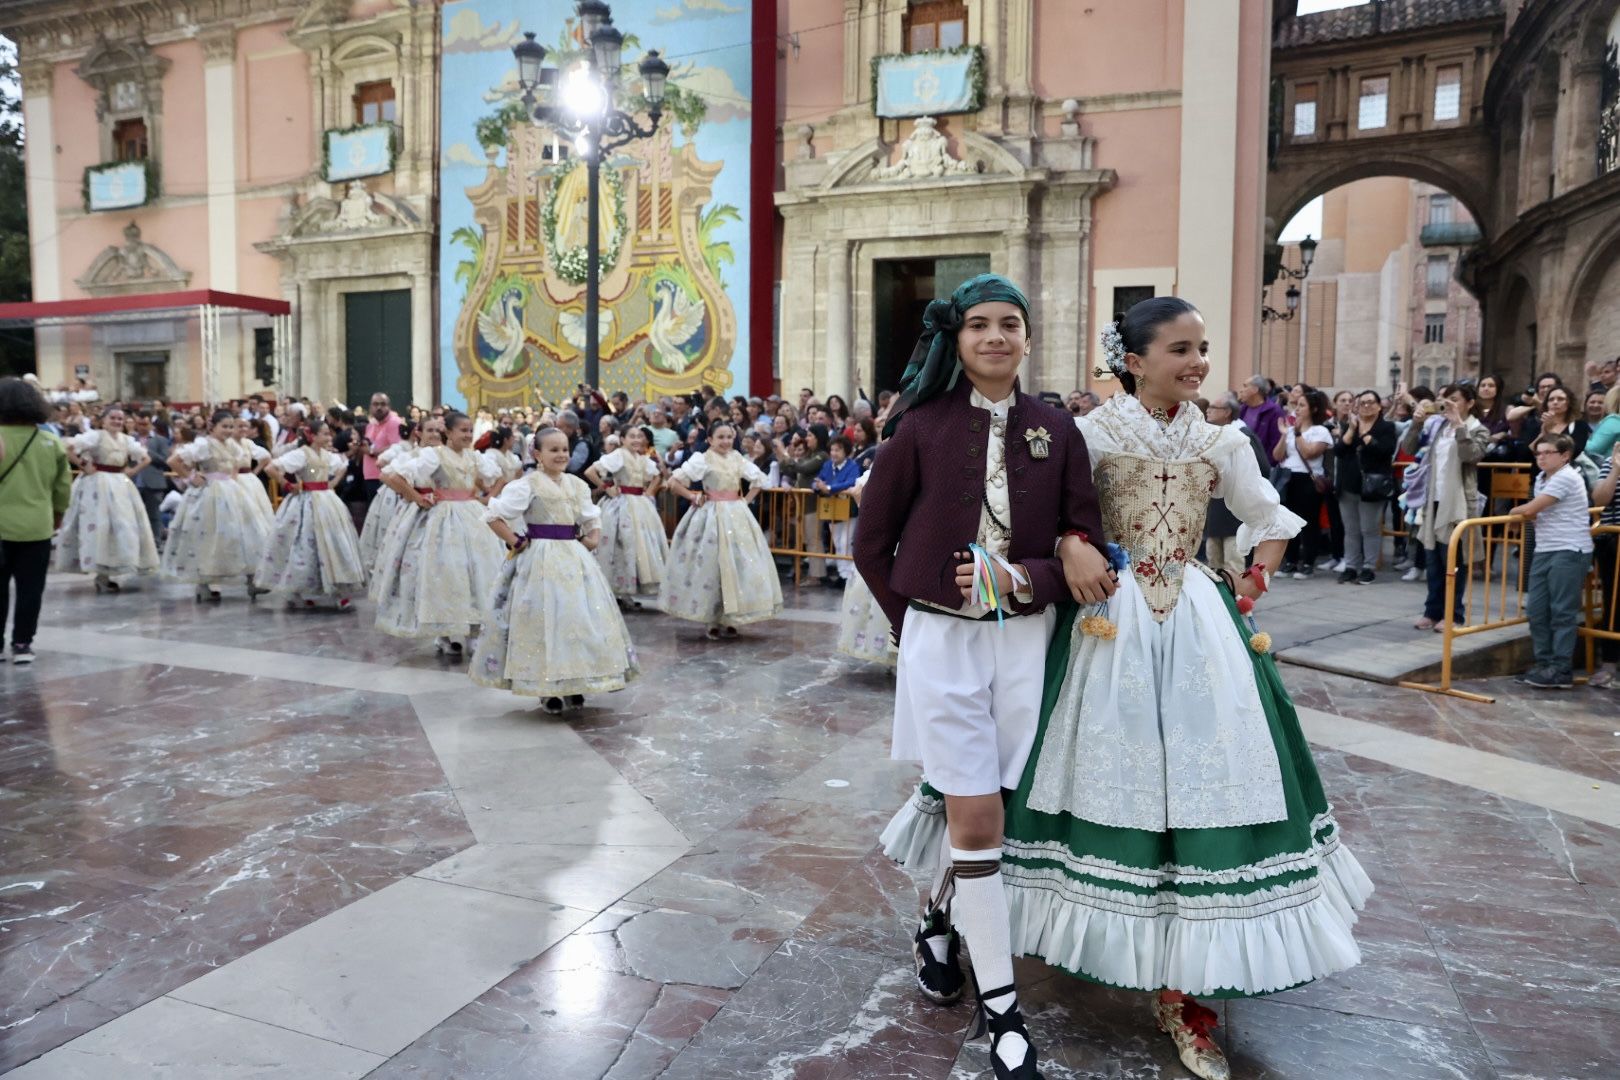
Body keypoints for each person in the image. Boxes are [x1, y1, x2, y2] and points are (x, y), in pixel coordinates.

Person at [883, 297, 1369, 1080]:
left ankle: (1186, 987)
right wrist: (1075, 544)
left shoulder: (1222, 438)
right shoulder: (1090, 430)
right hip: (1102, 619)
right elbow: (1058, 514)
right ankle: (946, 911)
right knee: (1006, 779)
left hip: (1195, 622)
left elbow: (1266, 515)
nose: (1199, 362)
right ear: (1134, 360)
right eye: (1182, 349)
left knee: (1197, 791)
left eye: (1203, 348)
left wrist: (1254, 577)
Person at [859, 275, 1113, 1080]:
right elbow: (873, 544)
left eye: (1010, 324)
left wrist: (1026, 579)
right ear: (957, 339)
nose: (996, 337)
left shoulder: (1056, 428)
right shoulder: (919, 425)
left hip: (1026, 644)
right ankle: (1002, 1007)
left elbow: (1083, 539)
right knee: (972, 815)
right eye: (979, 325)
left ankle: (937, 915)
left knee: (990, 811)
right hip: (944, 644)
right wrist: (920, 624)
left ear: (1029, 338)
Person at [470, 427, 639, 713]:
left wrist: (593, 537)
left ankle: (577, 680)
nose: (561, 455)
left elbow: (590, 515)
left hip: (574, 558)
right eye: (553, 450)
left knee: (578, 618)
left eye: (564, 449)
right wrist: (514, 540)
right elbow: (494, 515)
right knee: (545, 619)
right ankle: (547, 685)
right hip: (540, 560)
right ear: (537, 454)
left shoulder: (576, 485)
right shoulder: (527, 484)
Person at [373, 411, 504, 654]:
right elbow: (392, 475)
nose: (467, 434)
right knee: (446, 573)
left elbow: (499, 476)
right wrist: (417, 498)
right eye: (462, 430)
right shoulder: (434, 455)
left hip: (472, 518)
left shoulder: (474, 457)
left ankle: (475, 630)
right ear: (449, 432)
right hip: (445, 521)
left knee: (477, 572)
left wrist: (488, 498)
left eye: (469, 430)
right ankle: (444, 633)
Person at [660, 421, 783, 638]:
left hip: (736, 515)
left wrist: (746, 501)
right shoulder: (702, 458)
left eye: (729, 436)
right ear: (709, 440)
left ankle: (731, 616)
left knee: (737, 565)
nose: (726, 441)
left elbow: (759, 480)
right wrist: (692, 496)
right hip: (711, 517)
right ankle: (711, 618)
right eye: (721, 437)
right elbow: (674, 481)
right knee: (711, 566)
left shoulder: (737, 457)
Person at [1509, 433, 1593, 689]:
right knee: (1536, 609)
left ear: (1565, 455)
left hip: (1569, 548)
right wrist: (1523, 513)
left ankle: (1560, 667)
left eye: (1548, 453)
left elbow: (1531, 509)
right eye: (1538, 453)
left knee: (1562, 611)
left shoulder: (1566, 476)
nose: (1541, 457)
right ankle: (1544, 663)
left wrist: (1514, 512)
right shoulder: (1541, 478)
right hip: (1546, 548)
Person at [1402, 383, 1488, 631]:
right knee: (1433, 559)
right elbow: (1408, 449)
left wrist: (1459, 425)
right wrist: (1417, 422)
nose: (1448, 405)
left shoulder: (1477, 429)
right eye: (1444, 400)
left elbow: (1471, 455)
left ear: (1470, 403)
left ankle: (1454, 614)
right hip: (1434, 498)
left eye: (1454, 399)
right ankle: (1432, 611)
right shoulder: (1437, 426)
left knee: (1454, 561)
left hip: (1459, 502)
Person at [255, 419, 367, 610]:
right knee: (304, 544)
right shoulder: (301, 455)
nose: (328, 437)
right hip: (305, 502)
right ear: (312, 436)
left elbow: (342, 466)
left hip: (326, 502)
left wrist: (332, 484)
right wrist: (287, 484)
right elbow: (271, 468)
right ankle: (299, 589)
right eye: (324, 433)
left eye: (328, 433)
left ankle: (338, 589)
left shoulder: (327, 455)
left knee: (333, 544)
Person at [161, 409, 271, 602]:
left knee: (245, 533)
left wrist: (233, 481)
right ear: (213, 426)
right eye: (224, 426)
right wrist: (192, 478)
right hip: (209, 493)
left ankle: (252, 579)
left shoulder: (232, 445)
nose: (228, 431)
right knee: (208, 535)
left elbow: (235, 466)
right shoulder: (204, 445)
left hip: (231, 491)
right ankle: (204, 582)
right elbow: (174, 461)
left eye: (231, 427)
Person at [0, 377, 73, 663]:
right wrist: (57, 515)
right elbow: (62, 487)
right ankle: (22, 644)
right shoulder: (50, 441)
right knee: (31, 589)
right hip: (37, 526)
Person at [55, 407, 160, 592]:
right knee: (101, 527)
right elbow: (68, 448)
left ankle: (113, 568)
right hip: (98, 484)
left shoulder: (127, 440)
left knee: (123, 527)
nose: (117, 421)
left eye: (120, 419)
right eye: (113, 418)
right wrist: (84, 465)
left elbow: (146, 458)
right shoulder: (96, 436)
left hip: (120, 484)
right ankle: (101, 573)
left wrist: (132, 471)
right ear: (103, 421)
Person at [584, 424, 669, 610]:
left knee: (640, 547)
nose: (636, 440)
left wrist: (650, 491)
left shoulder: (643, 458)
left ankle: (627, 592)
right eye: (632, 436)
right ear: (622, 439)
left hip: (640, 504)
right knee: (621, 546)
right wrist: (607, 487)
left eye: (639, 436)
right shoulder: (617, 456)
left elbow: (658, 475)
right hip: (621, 506)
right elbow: (590, 471)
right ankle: (616, 592)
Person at [1201, 392, 1267, 581]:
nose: (1208, 410)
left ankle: (1236, 602)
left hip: (1234, 508)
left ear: (1227, 412)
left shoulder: (1242, 435)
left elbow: (1262, 468)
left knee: (1233, 561)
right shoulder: (1213, 434)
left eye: (1214, 407)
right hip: (1216, 507)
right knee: (1213, 560)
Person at [1334, 390, 1398, 584]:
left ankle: (1369, 567)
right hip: (1348, 484)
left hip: (1372, 485)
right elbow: (1339, 451)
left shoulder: (1386, 427)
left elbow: (1384, 450)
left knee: (1369, 528)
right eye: (1362, 403)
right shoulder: (1349, 425)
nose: (1366, 406)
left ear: (1379, 406)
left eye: (1371, 403)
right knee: (1351, 529)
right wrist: (1352, 430)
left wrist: (1364, 433)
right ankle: (1351, 566)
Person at [834, 469, 895, 666]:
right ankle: (887, 650)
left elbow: (858, 493)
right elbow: (858, 493)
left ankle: (892, 650)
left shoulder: (883, 463)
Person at [1273, 389, 1332, 578]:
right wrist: (1284, 434)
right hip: (1288, 477)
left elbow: (1309, 453)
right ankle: (1290, 560)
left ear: (1313, 409)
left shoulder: (1320, 430)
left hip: (1308, 479)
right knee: (1288, 521)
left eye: (1302, 405)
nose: (1297, 409)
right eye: (1296, 405)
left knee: (1308, 522)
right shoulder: (1290, 430)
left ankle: (1307, 562)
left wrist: (1297, 433)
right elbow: (1277, 455)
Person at [1589, 443, 1620, 689]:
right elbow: (1599, 498)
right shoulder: (1612, 460)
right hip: (1612, 541)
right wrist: (1616, 468)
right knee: (1613, 601)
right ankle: (1609, 662)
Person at [812, 435, 861, 586]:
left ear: (845, 451)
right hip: (831, 510)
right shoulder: (827, 465)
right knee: (837, 542)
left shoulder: (852, 465)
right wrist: (818, 487)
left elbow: (852, 481)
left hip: (848, 510)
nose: (834, 453)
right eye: (832, 450)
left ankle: (848, 575)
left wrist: (829, 488)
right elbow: (817, 480)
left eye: (837, 450)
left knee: (846, 542)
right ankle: (842, 574)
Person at [129, 411, 172, 544]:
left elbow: (165, 461)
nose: (142, 427)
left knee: (154, 514)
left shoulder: (160, 440)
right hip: (134, 481)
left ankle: (156, 540)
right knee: (133, 514)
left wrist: (146, 451)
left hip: (154, 482)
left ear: (151, 425)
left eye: (145, 424)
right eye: (140, 424)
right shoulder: (130, 440)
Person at [362, 393, 404, 504]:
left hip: (386, 477)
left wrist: (373, 451)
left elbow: (399, 447)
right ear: (370, 407)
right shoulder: (370, 425)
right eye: (375, 404)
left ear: (389, 406)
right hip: (370, 476)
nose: (379, 407)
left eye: (382, 404)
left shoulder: (394, 423)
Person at [1238, 374, 1284, 467]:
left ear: (1255, 389)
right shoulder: (1241, 410)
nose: (1241, 390)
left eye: (1245, 386)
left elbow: (1275, 442)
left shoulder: (1274, 412)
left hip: (1261, 467)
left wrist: (1265, 466)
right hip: (1241, 464)